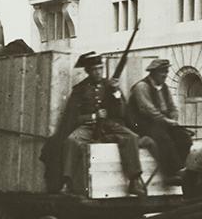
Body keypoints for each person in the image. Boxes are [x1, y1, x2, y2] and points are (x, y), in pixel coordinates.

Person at [44, 52, 145, 196]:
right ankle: (67, 182)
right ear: (88, 71)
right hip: (88, 126)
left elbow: (121, 112)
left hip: (109, 125)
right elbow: (73, 117)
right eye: (94, 69)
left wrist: (116, 92)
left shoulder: (109, 86)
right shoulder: (79, 89)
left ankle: (135, 181)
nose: (98, 72)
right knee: (71, 141)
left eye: (100, 68)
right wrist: (93, 116)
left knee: (132, 137)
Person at [127, 59, 192, 186]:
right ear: (154, 73)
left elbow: (172, 107)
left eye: (166, 72)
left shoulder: (164, 87)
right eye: (163, 73)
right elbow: (148, 110)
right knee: (163, 137)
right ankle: (170, 173)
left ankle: (182, 169)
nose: (165, 76)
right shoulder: (141, 87)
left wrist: (174, 119)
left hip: (161, 123)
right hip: (142, 125)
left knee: (184, 137)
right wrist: (167, 121)